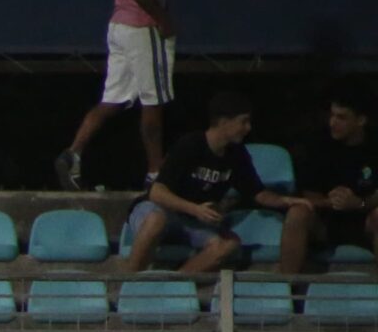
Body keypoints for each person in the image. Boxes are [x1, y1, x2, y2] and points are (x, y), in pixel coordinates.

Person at [56, 0, 180, 191]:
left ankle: (74, 154)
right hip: (141, 28)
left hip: (119, 26)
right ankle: (156, 173)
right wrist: (162, 17)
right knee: (153, 101)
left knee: (112, 100)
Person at [126, 91, 310, 275]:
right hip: (159, 211)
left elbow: (258, 193)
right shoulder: (190, 145)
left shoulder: (237, 154)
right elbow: (157, 193)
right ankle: (128, 283)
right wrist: (195, 209)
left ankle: (175, 286)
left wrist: (287, 200)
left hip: (193, 223)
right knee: (156, 220)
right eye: (243, 121)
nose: (248, 127)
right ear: (224, 122)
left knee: (229, 244)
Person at [280, 83, 378, 275]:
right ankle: (285, 290)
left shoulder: (374, 145)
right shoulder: (317, 146)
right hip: (326, 222)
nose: (333, 122)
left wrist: (358, 203)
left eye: (341, 117)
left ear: (361, 120)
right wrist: (333, 202)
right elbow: (308, 197)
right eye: (332, 115)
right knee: (298, 212)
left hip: (364, 221)